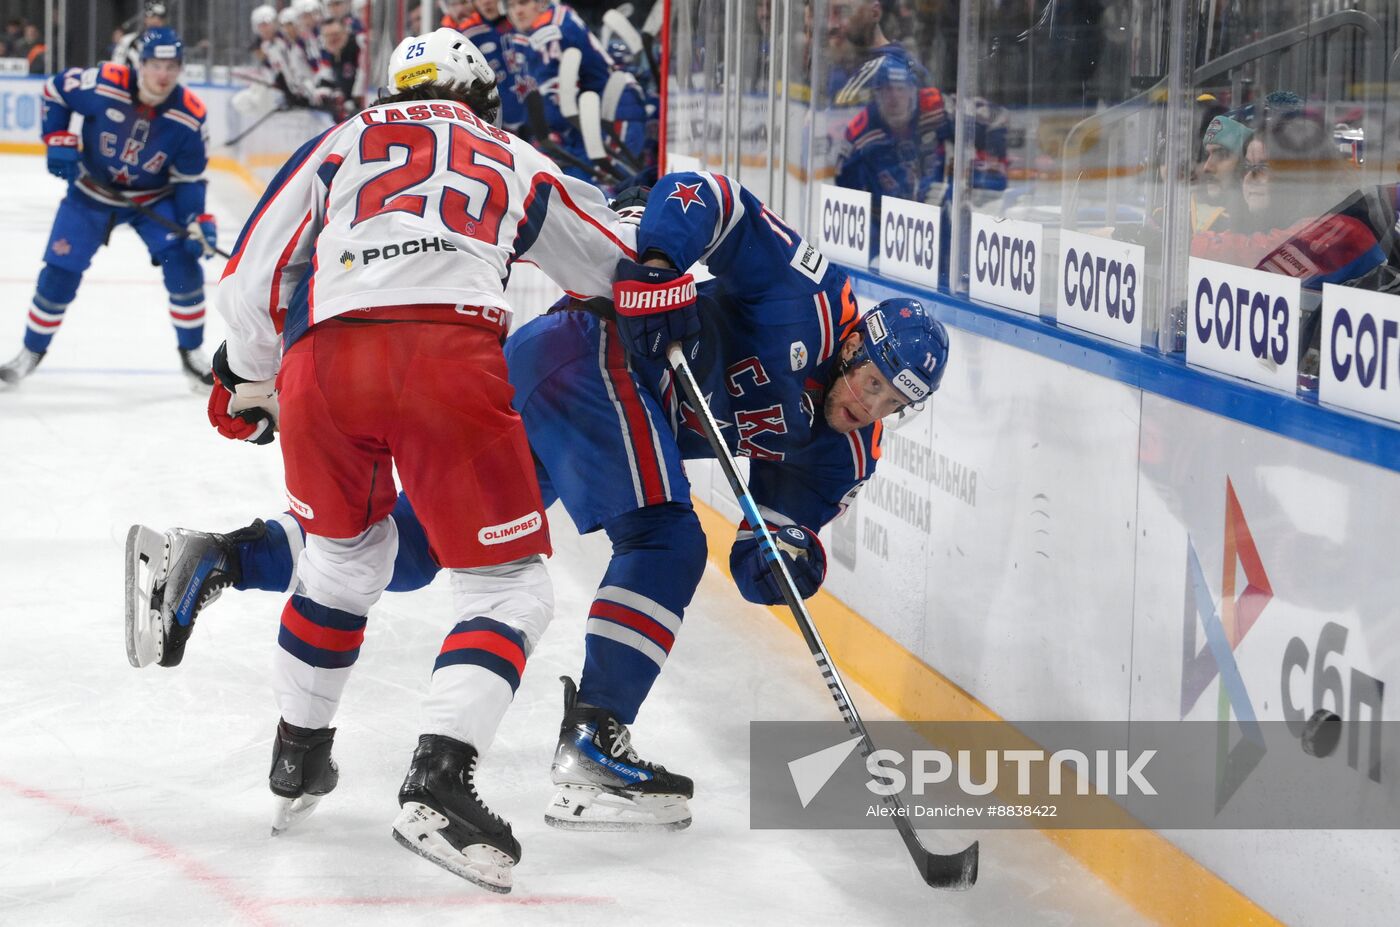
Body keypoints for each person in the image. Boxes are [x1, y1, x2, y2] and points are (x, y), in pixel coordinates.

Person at [127, 173, 950, 835]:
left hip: (570, 387)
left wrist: (785, 560)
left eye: (892, 404)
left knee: (411, 552)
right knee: (664, 538)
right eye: (871, 382)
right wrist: (661, 263)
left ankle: (220, 554)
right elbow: (708, 196)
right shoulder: (807, 295)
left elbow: (769, 546)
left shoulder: (846, 448)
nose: (870, 406)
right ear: (852, 344)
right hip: (591, 350)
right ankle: (595, 736)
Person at [181, 27, 636, 892]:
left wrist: (248, 375)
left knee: (342, 562)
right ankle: (437, 777)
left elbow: (252, 276)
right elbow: (609, 262)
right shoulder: (508, 150)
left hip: (323, 366)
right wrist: (652, 249)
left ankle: (299, 756)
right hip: (447, 362)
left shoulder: (340, 140)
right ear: (484, 98)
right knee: (507, 587)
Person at [0, 27, 218, 390]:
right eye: (155, 65)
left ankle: (191, 354)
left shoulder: (189, 116)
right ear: (139, 63)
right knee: (59, 273)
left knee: (183, 263)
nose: (163, 75)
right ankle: (30, 352)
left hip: (151, 200)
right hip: (90, 193)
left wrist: (197, 220)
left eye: (172, 66)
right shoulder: (104, 83)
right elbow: (55, 89)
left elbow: (189, 179)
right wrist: (56, 137)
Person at [505, 0, 652, 185]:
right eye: (511, 6)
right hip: (591, 114)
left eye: (523, 3)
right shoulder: (559, 15)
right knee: (584, 186)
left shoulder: (547, 32)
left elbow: (553, 97)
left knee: (609, 188)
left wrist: (551, 133)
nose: (517, 11)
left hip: (614, 108)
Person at [112, 2, 169, 71]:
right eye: (152, 16)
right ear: (145, 18)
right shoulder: (128, 41)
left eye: (160, 18)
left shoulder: (171, 43)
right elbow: (116, 67)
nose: (156, 21)